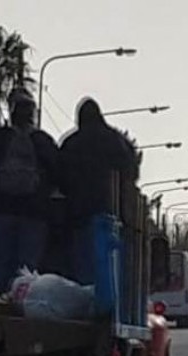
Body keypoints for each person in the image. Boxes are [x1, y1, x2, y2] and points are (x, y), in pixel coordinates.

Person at [0, 88, 58, 293]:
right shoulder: (43, 140)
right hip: (34, 212)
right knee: (27, 268)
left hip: (1, 209)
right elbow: (57, 172)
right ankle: (23, 305)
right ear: (33, 114)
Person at [58, 97, 136, 283]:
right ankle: (107, 301)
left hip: (78, 214)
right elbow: (130, 172)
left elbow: (59, 175)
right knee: (109, 263)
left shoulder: (72, 142)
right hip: (110, 211)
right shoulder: (115, 141)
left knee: (82, 265)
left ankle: (85, 298)